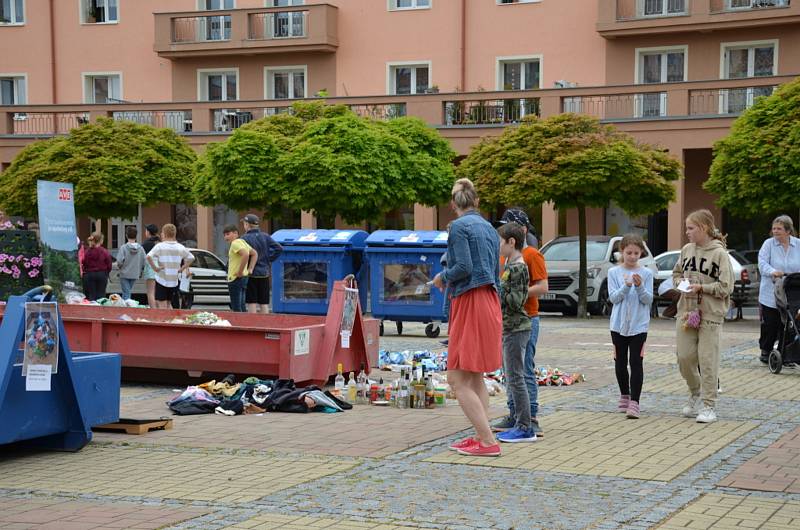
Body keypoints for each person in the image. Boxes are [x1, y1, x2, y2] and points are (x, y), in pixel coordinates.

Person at [432, 178, 503, 457]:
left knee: (457, 380)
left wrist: (442, 277)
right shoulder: (488, 228)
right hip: (488, 300)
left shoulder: (459, 227)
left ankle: (487, 441)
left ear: (453, 205)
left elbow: (463, 266)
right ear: (477, 201)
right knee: (475, 378)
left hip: (470, 299)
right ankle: (481, 436)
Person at [672, 209, 734, 424]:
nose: (686, 232)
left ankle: (709, 405)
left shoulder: (720, 254)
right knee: (684, 357)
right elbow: (676, 274)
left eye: (690, 228)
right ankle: (695, 391)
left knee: (708, 359)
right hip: (687, 312)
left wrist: (702, 287)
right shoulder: (687, 250)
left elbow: (726, 286)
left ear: (704, 228)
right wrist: (683, 285)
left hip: (710, 314)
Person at [491, 208, 548, 437]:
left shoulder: (531, 255)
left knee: (523, 370)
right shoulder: (507, 257)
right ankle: (514, 413)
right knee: (510, 371)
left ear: (520, 232)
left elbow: (542, 287)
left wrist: (514, 293)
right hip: (510, 321)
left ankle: (530, 418)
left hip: (526, 319)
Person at [495, 222, 536, 443]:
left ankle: (524, 426)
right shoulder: (511, 265)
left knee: (516, 378)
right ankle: (521, 423)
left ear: (512, 242)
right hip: (509, 327)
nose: (499, 246)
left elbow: (516, 301)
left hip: (516, 328)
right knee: (512, 377)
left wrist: (500, 289)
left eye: (501, 242)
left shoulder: (518, 268)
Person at [608, 233, 653, 419]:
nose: (633, 256)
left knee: (636, 362)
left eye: (636, 253)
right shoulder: (613, 273)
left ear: (641, 253)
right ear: (622, 252)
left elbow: (648, 300)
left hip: (639, 326)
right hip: (618, 325)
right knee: (620, 362)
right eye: (629, 253)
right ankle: (624, 394)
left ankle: (635, 401)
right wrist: (626, 286)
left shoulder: (647, 273)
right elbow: (613, 298)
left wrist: (640, 286)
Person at [757, 215, 800, 363]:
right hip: (771, 291)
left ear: (788, 231)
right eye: (774, 228)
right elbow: (761, 263)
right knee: (770, 323)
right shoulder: (768, 244)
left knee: (788, 323)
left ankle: (786, 351)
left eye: (779, 229)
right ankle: (766, 350)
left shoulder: (798, 244)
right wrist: (772, 271)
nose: (775, 231)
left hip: (792, 291)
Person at [240, 214, 283, 314]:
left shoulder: (244, 238)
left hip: (251, 273)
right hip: (264, 273)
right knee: (264, 303)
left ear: (247, 225)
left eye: (244, 224)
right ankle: (265, 326)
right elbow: (279, 248)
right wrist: (269, 259)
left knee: (252, 302)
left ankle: (253, 326)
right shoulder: (265, 236)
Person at [146, 223, 194, 310]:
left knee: (161, 304)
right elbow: (191, 258)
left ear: (164, 233)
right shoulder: (180, 247)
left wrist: (155, 268)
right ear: (174, 234)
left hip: (162, 279)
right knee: (169, 304)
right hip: (174, 281)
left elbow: (149, 256)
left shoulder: (159, 246)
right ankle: (170, 321)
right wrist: (182, 268)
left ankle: (164, 321)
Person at [223, 224, 257, 313]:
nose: (225, 237)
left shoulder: (235, 243)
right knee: (242, 305)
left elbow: (245, 254)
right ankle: (244, 323)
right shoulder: (242, 241)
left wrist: (239, 272)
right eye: (224, 235)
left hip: (235, 278)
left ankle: (238, 325)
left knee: (236, 307)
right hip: (244, 277)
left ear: (235, 233)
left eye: (227, 234)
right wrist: (250, 269)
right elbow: (254, 254)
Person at [116, 226, 146, 301]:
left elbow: (119, 261)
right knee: (127, 291)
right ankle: (125, 306)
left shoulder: (123, 247)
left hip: (124, 273)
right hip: (135, 274)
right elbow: (144, 261)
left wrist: (120, 267)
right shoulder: (141, 249)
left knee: (126, 292)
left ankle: (126, 308)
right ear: (136, 236)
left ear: (126, 235)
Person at [81, 232, 112, 301]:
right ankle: (99, 311)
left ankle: (90, 311)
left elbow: (83, 262)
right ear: (101, 241)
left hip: (88, 275)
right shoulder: (104, 252)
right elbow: (109, 265)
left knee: (90, 296)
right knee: (101, 296)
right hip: (102, 275)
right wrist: (106, 273)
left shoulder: (86, 252)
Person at [141, 224, 161, 308]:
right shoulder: (160, 242)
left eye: (146, 230)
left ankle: (153, 311)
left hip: (150, 269)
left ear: (148, 232)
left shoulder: (146, 244)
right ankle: (160, 310)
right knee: (158, 293)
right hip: (161, 270)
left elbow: (142, 257)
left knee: (150, 292)